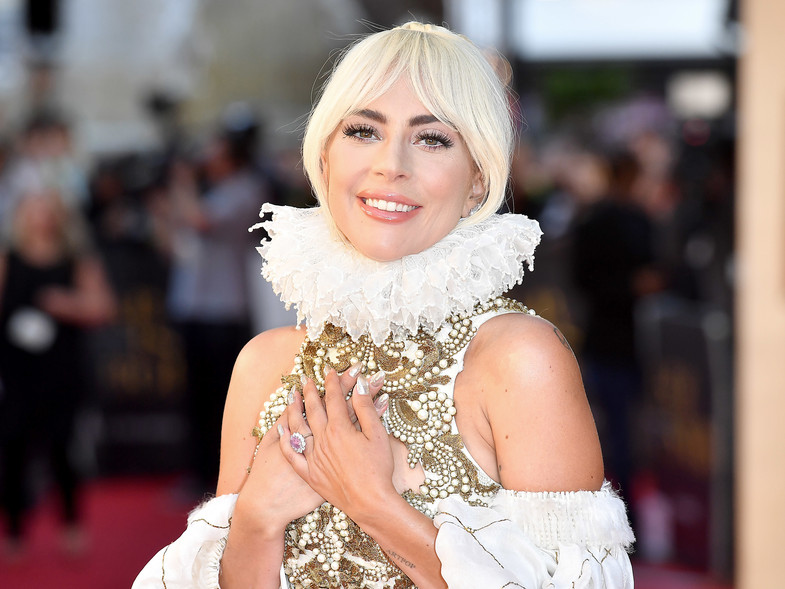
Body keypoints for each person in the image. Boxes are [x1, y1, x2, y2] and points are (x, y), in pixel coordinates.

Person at [134, 22, 634, 588]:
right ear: (325, 158)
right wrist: (255, 521)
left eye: (432, 139)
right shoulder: (264, 366)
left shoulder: (520, 360)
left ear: (477, 179)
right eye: (363, 131)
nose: (391, 163)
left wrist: (372, 503)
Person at [0, 187, 115, 557]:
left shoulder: (76, 260)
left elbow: (103, 308)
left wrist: (66, 305)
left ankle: (71, 525)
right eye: (34, 210)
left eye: (48, 210)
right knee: (13, 448)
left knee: (63, 447)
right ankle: (14, 531)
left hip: (62, 370)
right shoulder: (8, 260)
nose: (41, 218)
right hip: (15, 372)